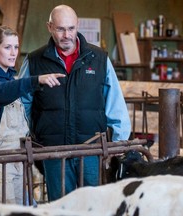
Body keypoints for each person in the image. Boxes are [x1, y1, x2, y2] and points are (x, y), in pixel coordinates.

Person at [18, 5, 131, 201]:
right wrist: (30, 136)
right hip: (53, 150)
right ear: (49, 27)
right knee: (61, 205)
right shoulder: (35, 60)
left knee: (94, 206)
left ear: (78, 26)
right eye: (60, 29)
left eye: (71, 28)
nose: (66, 35)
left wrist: (118, 142)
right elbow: (22, 104)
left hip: (91, 150)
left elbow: (115, 103)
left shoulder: (99, 59)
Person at [0, 25, 65, 204]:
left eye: (16, 47)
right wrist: (35, 80)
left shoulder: (10, 80)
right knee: (5, 210)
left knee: (21, 210)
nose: (13, 53)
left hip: (16, 157)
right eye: (7, 47)